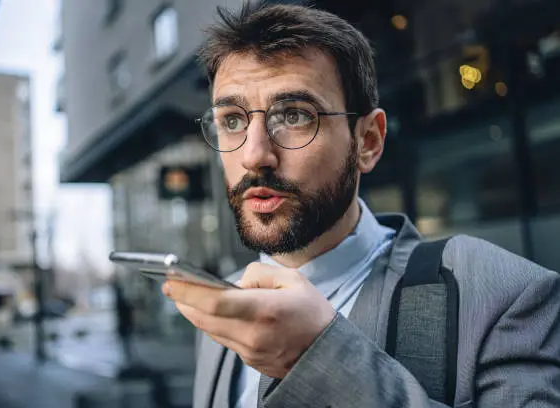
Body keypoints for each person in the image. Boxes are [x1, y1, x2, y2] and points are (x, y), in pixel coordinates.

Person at [160, 3, 560, 407]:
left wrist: (322, 359)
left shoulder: (503, 294)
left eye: (294, 115)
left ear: (368, 141)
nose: (254, 155)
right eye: (232, 120)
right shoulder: (223, 305)